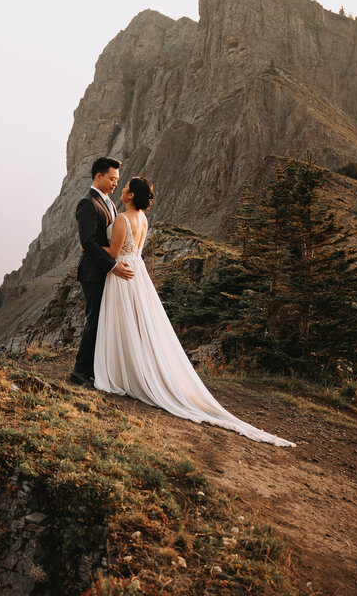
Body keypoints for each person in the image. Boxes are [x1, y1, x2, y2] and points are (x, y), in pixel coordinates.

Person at [93, 176, 295, 447]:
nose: (123, 188)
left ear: (131, 195)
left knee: (123, 322)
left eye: (126, 185)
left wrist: (89, 247)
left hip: (123, 274)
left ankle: (123, 372)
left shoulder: (122, 219)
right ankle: (135, 369)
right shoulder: (142, 219)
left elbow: (114, 252)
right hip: (138, 272)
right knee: (139, 323)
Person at [70, 157, 133, 387]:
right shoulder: (87, 203)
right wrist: (113, 266)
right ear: (98, 176)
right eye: (112, 178)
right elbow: (87, 241)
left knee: (103, 320)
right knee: (94, 320)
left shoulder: (110, 203)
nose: (116, 183)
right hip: (93, 272)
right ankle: (79, 372)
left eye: (117, 179)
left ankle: (96, 369)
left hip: (104, 270)